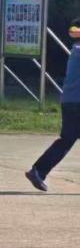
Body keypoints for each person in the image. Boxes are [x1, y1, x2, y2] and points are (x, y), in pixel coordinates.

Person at [26, 19, 80, 192]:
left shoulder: (76, 50)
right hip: (77, 103)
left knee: (66, 140)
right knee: (66, 140)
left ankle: (38, 171)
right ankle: (38, 171)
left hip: (70, 101)